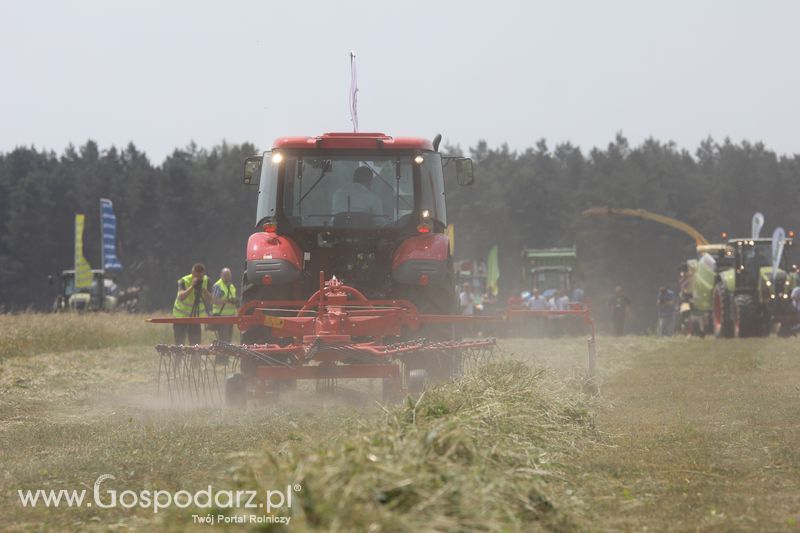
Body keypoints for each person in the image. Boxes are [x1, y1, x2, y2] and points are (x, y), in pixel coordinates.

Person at [172, 263, 213, 345]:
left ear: (204, 274)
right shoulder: (184, 280)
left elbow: (211, 299)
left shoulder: (207, 280)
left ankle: (195, 358)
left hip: (195, 318)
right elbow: (181, 296)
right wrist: (192, 286)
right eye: (196, 276)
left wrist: (204, 290)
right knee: (179, 344)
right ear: (192, 273)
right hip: (180, 317)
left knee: (195, 344)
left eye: (200, 277)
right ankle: (178, 357)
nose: (198, 278)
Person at [212, 267, 238, 343]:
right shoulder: (218, 286)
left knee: (228, 340)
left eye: (229, 275)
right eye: (225, 275)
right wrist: (227, 301)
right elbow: (214, 300)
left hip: (230, 317)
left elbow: (232, 299)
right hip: (221, 317)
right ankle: (221, 355)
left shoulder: (231, 286)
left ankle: (225, 355)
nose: (227, 277)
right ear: (221, 275)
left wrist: (235, 301)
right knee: (224, 340)